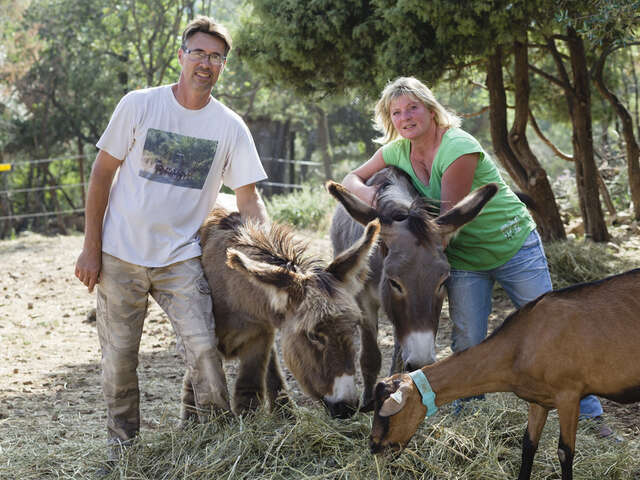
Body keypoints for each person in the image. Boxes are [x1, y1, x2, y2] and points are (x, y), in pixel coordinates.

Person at [342, 76, 613, 436]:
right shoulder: (396, 150)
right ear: (389, 120)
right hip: (466, 260)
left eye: (413, 107)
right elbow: (351, 178)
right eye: (397, 112)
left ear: (430, 109)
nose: (406, 117)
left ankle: (593, 420)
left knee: (553, 333)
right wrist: (371, 197)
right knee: (467, 342)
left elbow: (442, 228)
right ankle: (468, 422)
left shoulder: (457, 147)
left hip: (512, 246)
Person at [74, 16, 269, 460]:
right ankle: (122, 451)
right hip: (119, 254)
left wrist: (268, 254)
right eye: (198, 53)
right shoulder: (139, 104)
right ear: (180, 56)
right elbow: (101, 174)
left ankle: (217, 445)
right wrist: (90, 247)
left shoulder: (230, 126)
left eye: (216, 57)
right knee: (120, 360)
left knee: (203, 350)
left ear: (223, 67)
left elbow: (249, 198)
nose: (206, 63)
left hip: (181, 257)